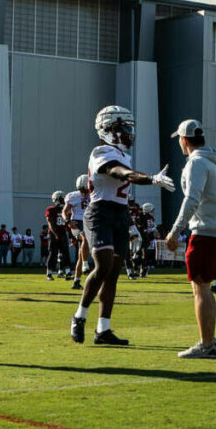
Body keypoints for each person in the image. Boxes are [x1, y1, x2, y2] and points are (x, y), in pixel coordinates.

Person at [70, 105, 175, 345]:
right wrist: (150, 179)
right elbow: (120, 173)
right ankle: (79, 316)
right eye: (122, 127)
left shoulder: (123, 154)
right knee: (103, 266)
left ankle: (103, 330)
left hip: (120, 212)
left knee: (113, 274)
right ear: (106, 130)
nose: (128, 132)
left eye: (129, 127)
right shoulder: (102, 151)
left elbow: (124, 171)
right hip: (100, 212)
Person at [165, 119, 216, 359]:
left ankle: (206, 344)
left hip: (205, 230)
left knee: (200, 287)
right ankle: (209, 340)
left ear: (184, 140)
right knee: (204, 286)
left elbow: (192, 199)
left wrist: (175, 230)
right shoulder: (214, 163)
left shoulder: (197, 163)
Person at [63, 174, 92, 289]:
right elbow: (65, 211)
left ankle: (76, 281)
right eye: (83, 189)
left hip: (89, 222)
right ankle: (85, 264)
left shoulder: (94, 195)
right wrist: (68, 221)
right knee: (84, 236)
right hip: (76, 223)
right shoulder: (73, 196)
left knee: (81, 254)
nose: (85, 191)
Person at [45, 191, 70, 279]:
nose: (64, 200)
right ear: (57, 199)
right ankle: (49, 273)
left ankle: (67, 272)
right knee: (53, 253)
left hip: (63, 233)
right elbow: (50, 223)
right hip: (53, 233)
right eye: (62, 198)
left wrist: (70, 235)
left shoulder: (65, 210)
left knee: (65, 253)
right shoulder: (51, 209)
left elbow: (67, 224)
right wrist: (55, 234)